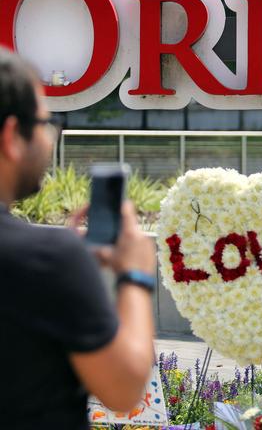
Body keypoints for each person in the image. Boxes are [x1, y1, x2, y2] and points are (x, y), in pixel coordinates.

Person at [0, 50, 157, 429]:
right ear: (10, 135)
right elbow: (123, 389)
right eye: (46, 122)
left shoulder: (48, 261)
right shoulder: (46, 262)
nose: (49, 136)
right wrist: (136, 275)